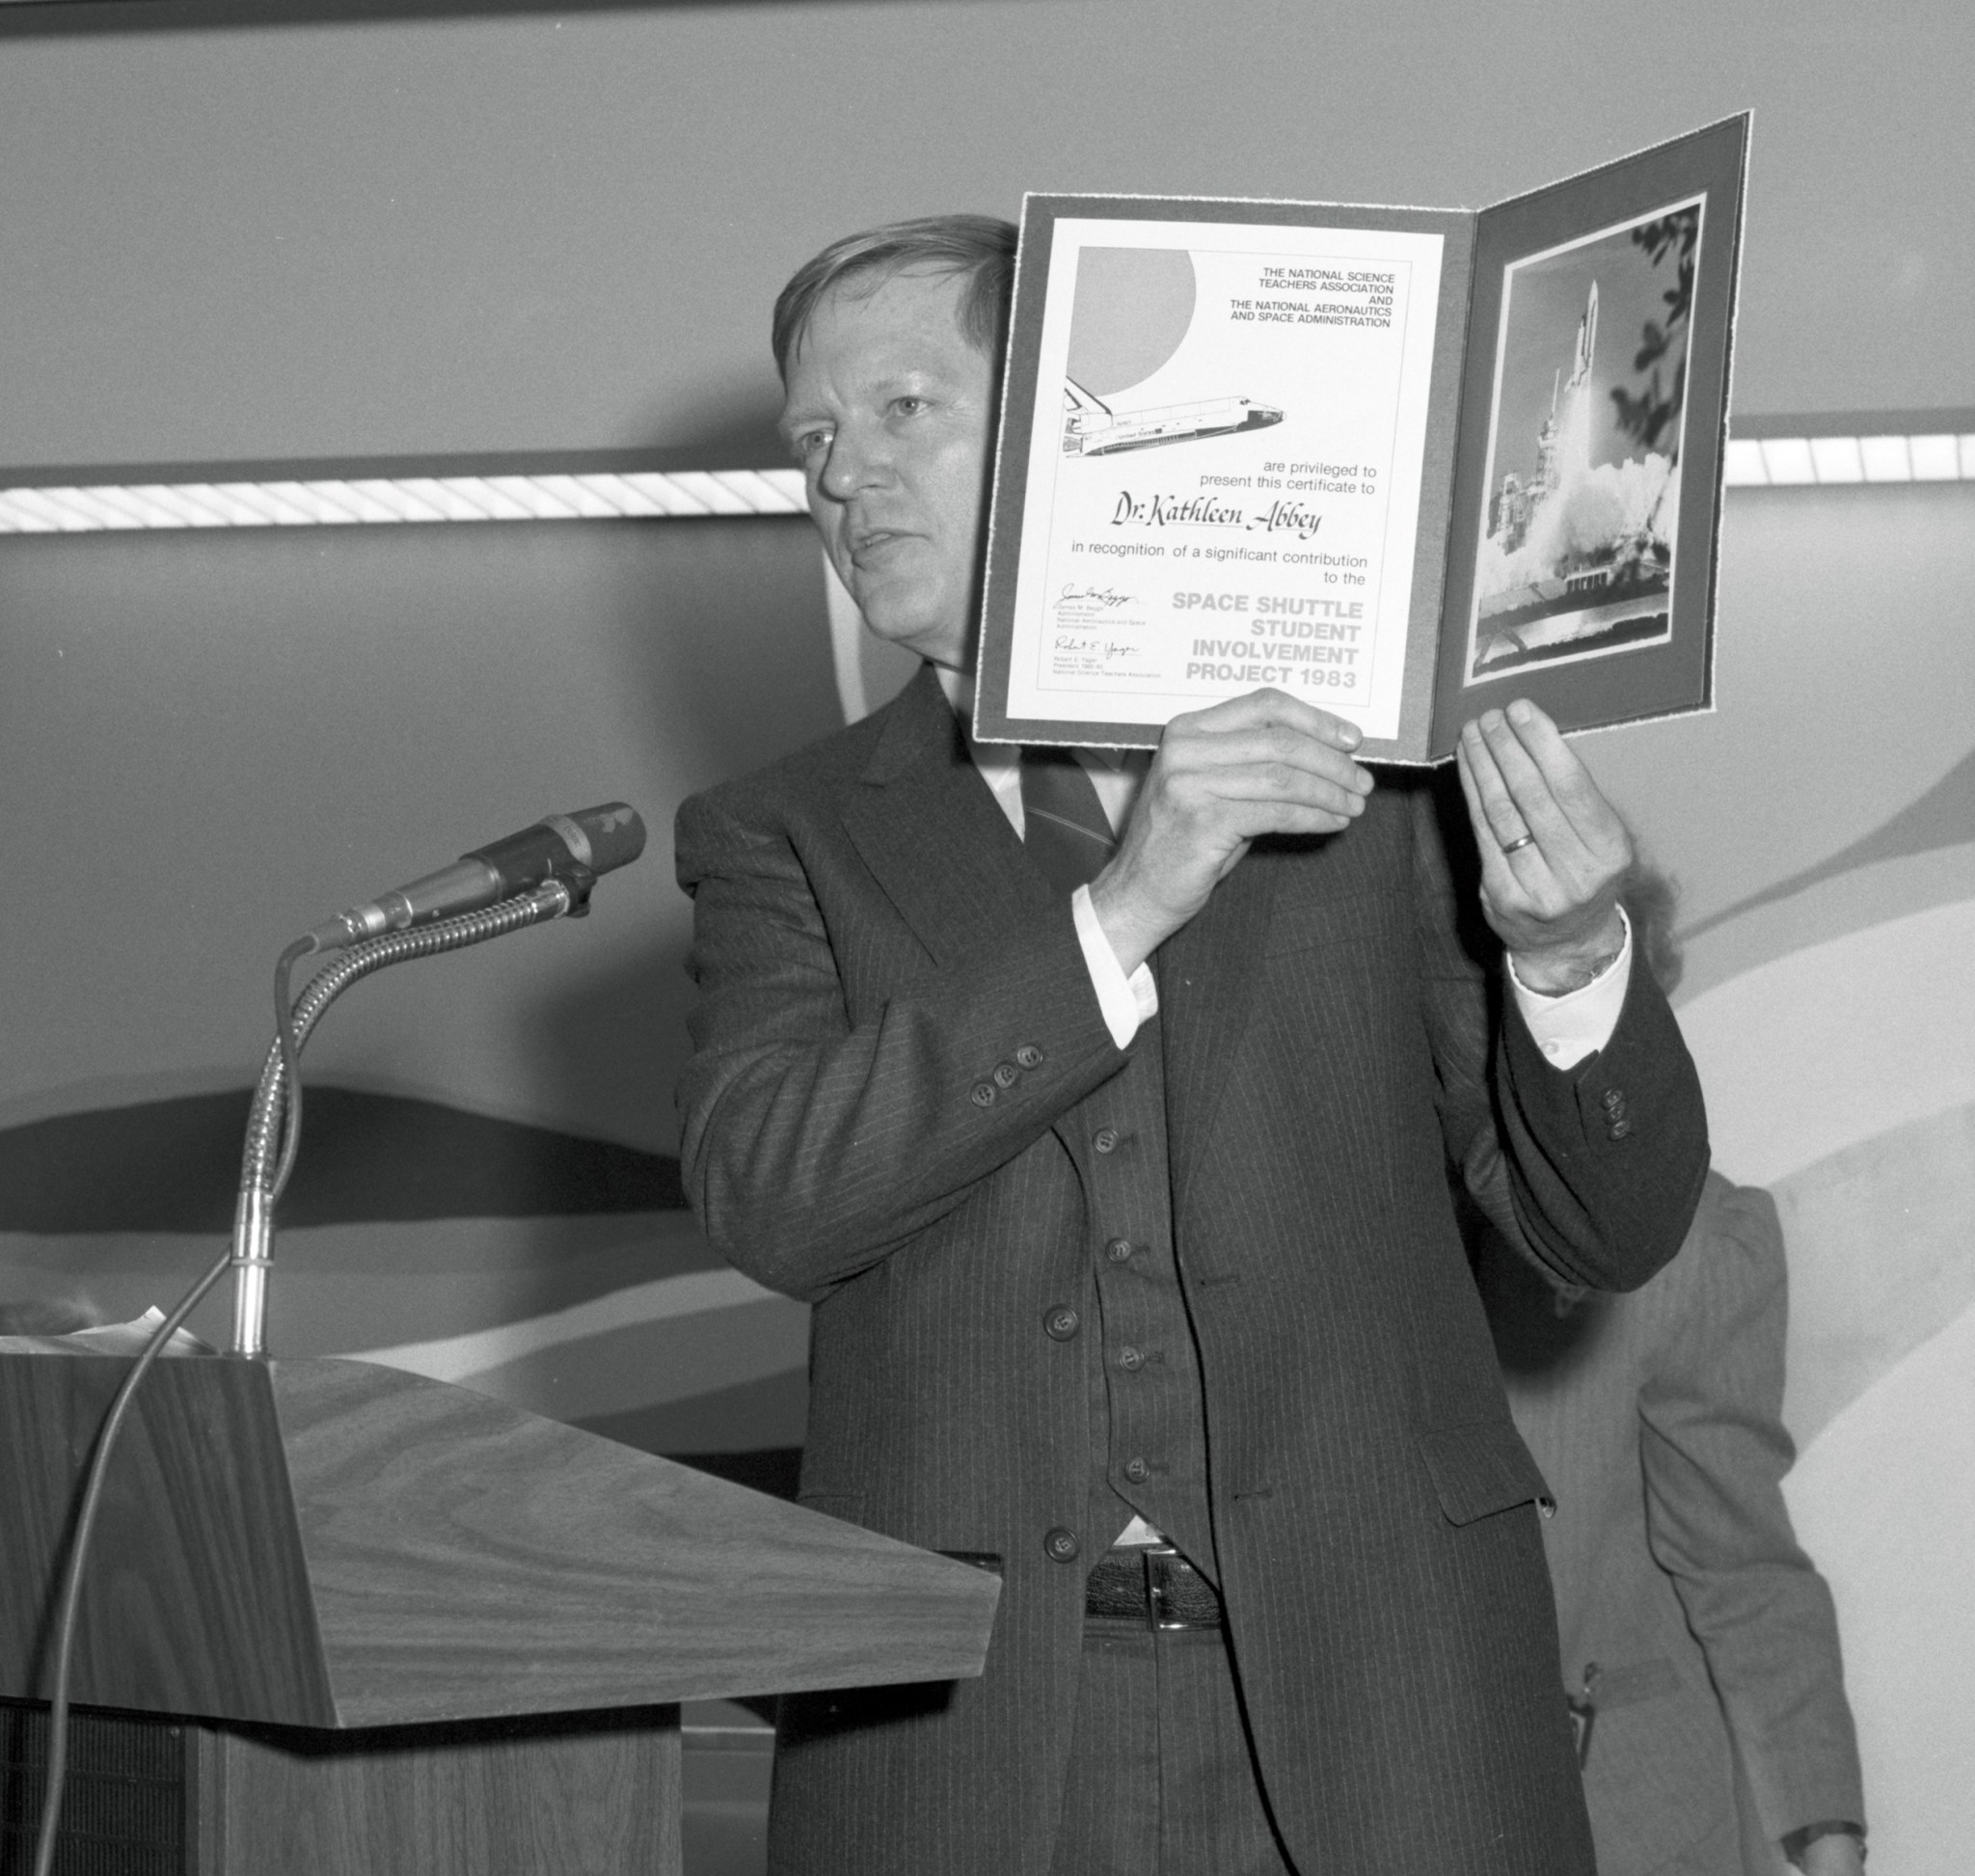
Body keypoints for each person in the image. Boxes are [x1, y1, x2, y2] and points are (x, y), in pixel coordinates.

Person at [672, 215, 1710, 1876]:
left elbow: (1599, 1225)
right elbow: (771, 1197)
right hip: (969, 1741)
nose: (841, 475)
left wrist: (1572, 956)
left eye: (901, 411)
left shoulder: (1371, 772)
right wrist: (1120, 909)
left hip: (1395, 1713)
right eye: (811, 439)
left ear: (1069, 426)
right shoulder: (779, 831)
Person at [1472, 881, 1866, 1876]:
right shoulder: (1339, 1239)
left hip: (1632, 1809)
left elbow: (1736, 1558)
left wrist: (1828, 1837)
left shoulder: (1698, 1245)